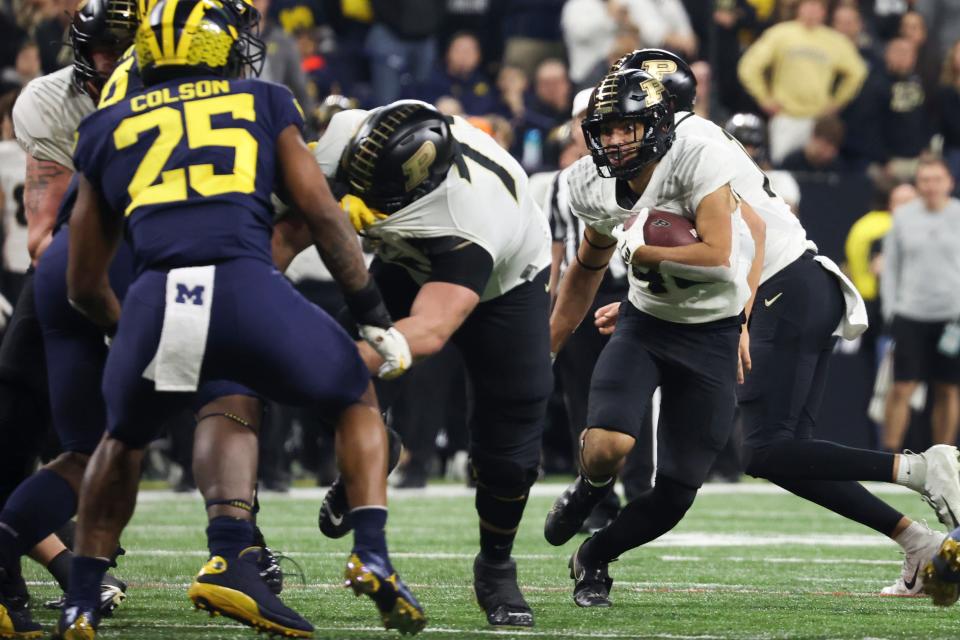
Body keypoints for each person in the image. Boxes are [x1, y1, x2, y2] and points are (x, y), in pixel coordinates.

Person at [54, 0, 425, 636]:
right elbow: (323, 215)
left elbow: (83, 283)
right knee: (353, 397)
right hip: (247, 285)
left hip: (160, 299)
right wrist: (371, 314)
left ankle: (81, 599)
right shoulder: (261, 100)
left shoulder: (106, 124)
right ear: (222, 48)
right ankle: (371, 553)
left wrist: (129, 328)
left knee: (122, 442)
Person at [554, 48, 960, 601]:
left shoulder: (693, 148)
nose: (620, 123)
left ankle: (918, 469)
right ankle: (917, 542)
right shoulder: (638, 161)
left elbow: (746, 239)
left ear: (661, 106)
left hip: (776, 286)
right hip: (778, 287)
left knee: (764, 449)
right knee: (781, 451)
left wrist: (739, 315)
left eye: (633, 105)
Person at [313, 100, 552, 627]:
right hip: (405, 259)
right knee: (332, 385)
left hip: (502, 288)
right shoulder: (349, 135)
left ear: (419, 188)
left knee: (509, 456)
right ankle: (379, 448)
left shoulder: (471, 215)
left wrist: (340, 361)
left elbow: (431, 329)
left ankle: (496, 565)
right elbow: (291, 217)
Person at [545, 65, 766, 607]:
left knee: (674, 493)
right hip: (645, 324)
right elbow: (586, 265)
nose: (616, 140)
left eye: (628, 127)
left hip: (711, 331)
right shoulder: (588, 182)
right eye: (606, 130)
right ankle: (589, 488)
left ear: (658, 125)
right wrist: (547, 344)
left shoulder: (697, 155)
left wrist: (739, 319)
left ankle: (593, 557)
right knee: (607, 446)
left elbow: (727, 248)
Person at [882, 157, 960, 453]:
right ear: (917, 184)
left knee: (948, 388)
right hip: (910, 314)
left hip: (953, 316)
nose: (931, 186)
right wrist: (892, 308)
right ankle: (889, 456)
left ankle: (944, 457)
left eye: (937, 179)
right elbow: (891, 267)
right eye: (925, 180)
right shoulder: (903, 218)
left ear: (949, 182)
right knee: (902, 386)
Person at [737, 0, 867, 164]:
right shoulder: (780, 34)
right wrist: (764, 98)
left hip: (818, 121)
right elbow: (748, 66)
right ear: (800, 8)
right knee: (783, 167)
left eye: (818, 6)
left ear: (824, 12)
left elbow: (858, 72)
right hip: (786, 116)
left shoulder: (834, 40)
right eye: (809, 4)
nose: (813, 10)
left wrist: (838, 102)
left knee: (817, 172)